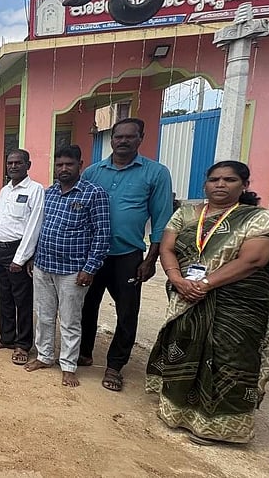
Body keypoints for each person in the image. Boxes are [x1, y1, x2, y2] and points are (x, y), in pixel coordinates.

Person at [148, 161, 269, 445]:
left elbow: (254, 260)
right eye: (214, 179)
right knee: (184, 347)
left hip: (237, 302)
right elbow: (167, 248)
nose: (220, 185)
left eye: (229, 180)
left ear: (244, 185)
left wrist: (205, 284)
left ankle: (221, 427)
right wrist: (178, 279)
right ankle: (178, 413)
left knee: (229, 356)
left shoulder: (259, 218)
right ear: (205, 183)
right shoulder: (186, 215)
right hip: (185, 292)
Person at [80, 117, 173, 392]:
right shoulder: (93, 172)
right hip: (92, 255)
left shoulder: (155, 173)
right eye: (118, 136)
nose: (122, 141)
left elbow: (161, 219)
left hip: (128, 255)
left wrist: (151, 259)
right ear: (112, 139)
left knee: (127, 312)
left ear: (140, 138)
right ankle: (84, 352)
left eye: (129, 137)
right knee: (85, 306)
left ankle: (115, 365)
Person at [25, 146, 110, 388]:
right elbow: (38, 228)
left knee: (70, 320)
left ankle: (69, 366)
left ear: (79, 165)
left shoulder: (94, 194)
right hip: (43, 265)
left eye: (69, 164)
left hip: (74, 270)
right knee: (43, 315)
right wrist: (32, 256)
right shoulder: (48, 193)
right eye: (59, 164)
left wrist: (90, 268)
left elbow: (102, 235)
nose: (63, 169)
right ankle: (44, 356)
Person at [0, 149, 45, 365]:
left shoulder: (35, 190)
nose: (13, 166)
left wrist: (20, 258)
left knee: (22, 299)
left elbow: (34, 226)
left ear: (27, 165)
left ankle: (23, 344)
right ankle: (7, 337)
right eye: (10, 162)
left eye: (18, 163)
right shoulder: (4, 191)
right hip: (0, 250)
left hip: (18, 251)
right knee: (4, 296)